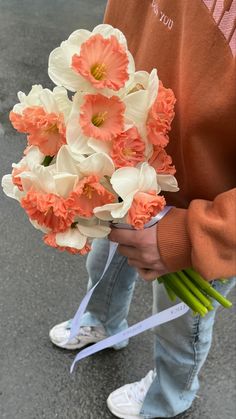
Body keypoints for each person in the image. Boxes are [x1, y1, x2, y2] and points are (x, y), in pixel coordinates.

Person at [49, 1, 236, 418]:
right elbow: (123, 32)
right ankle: (104, 322)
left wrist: (200, 234)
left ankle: (169, 395)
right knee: (105, 257)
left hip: (206, 203)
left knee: (179, 321)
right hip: (130, 165)